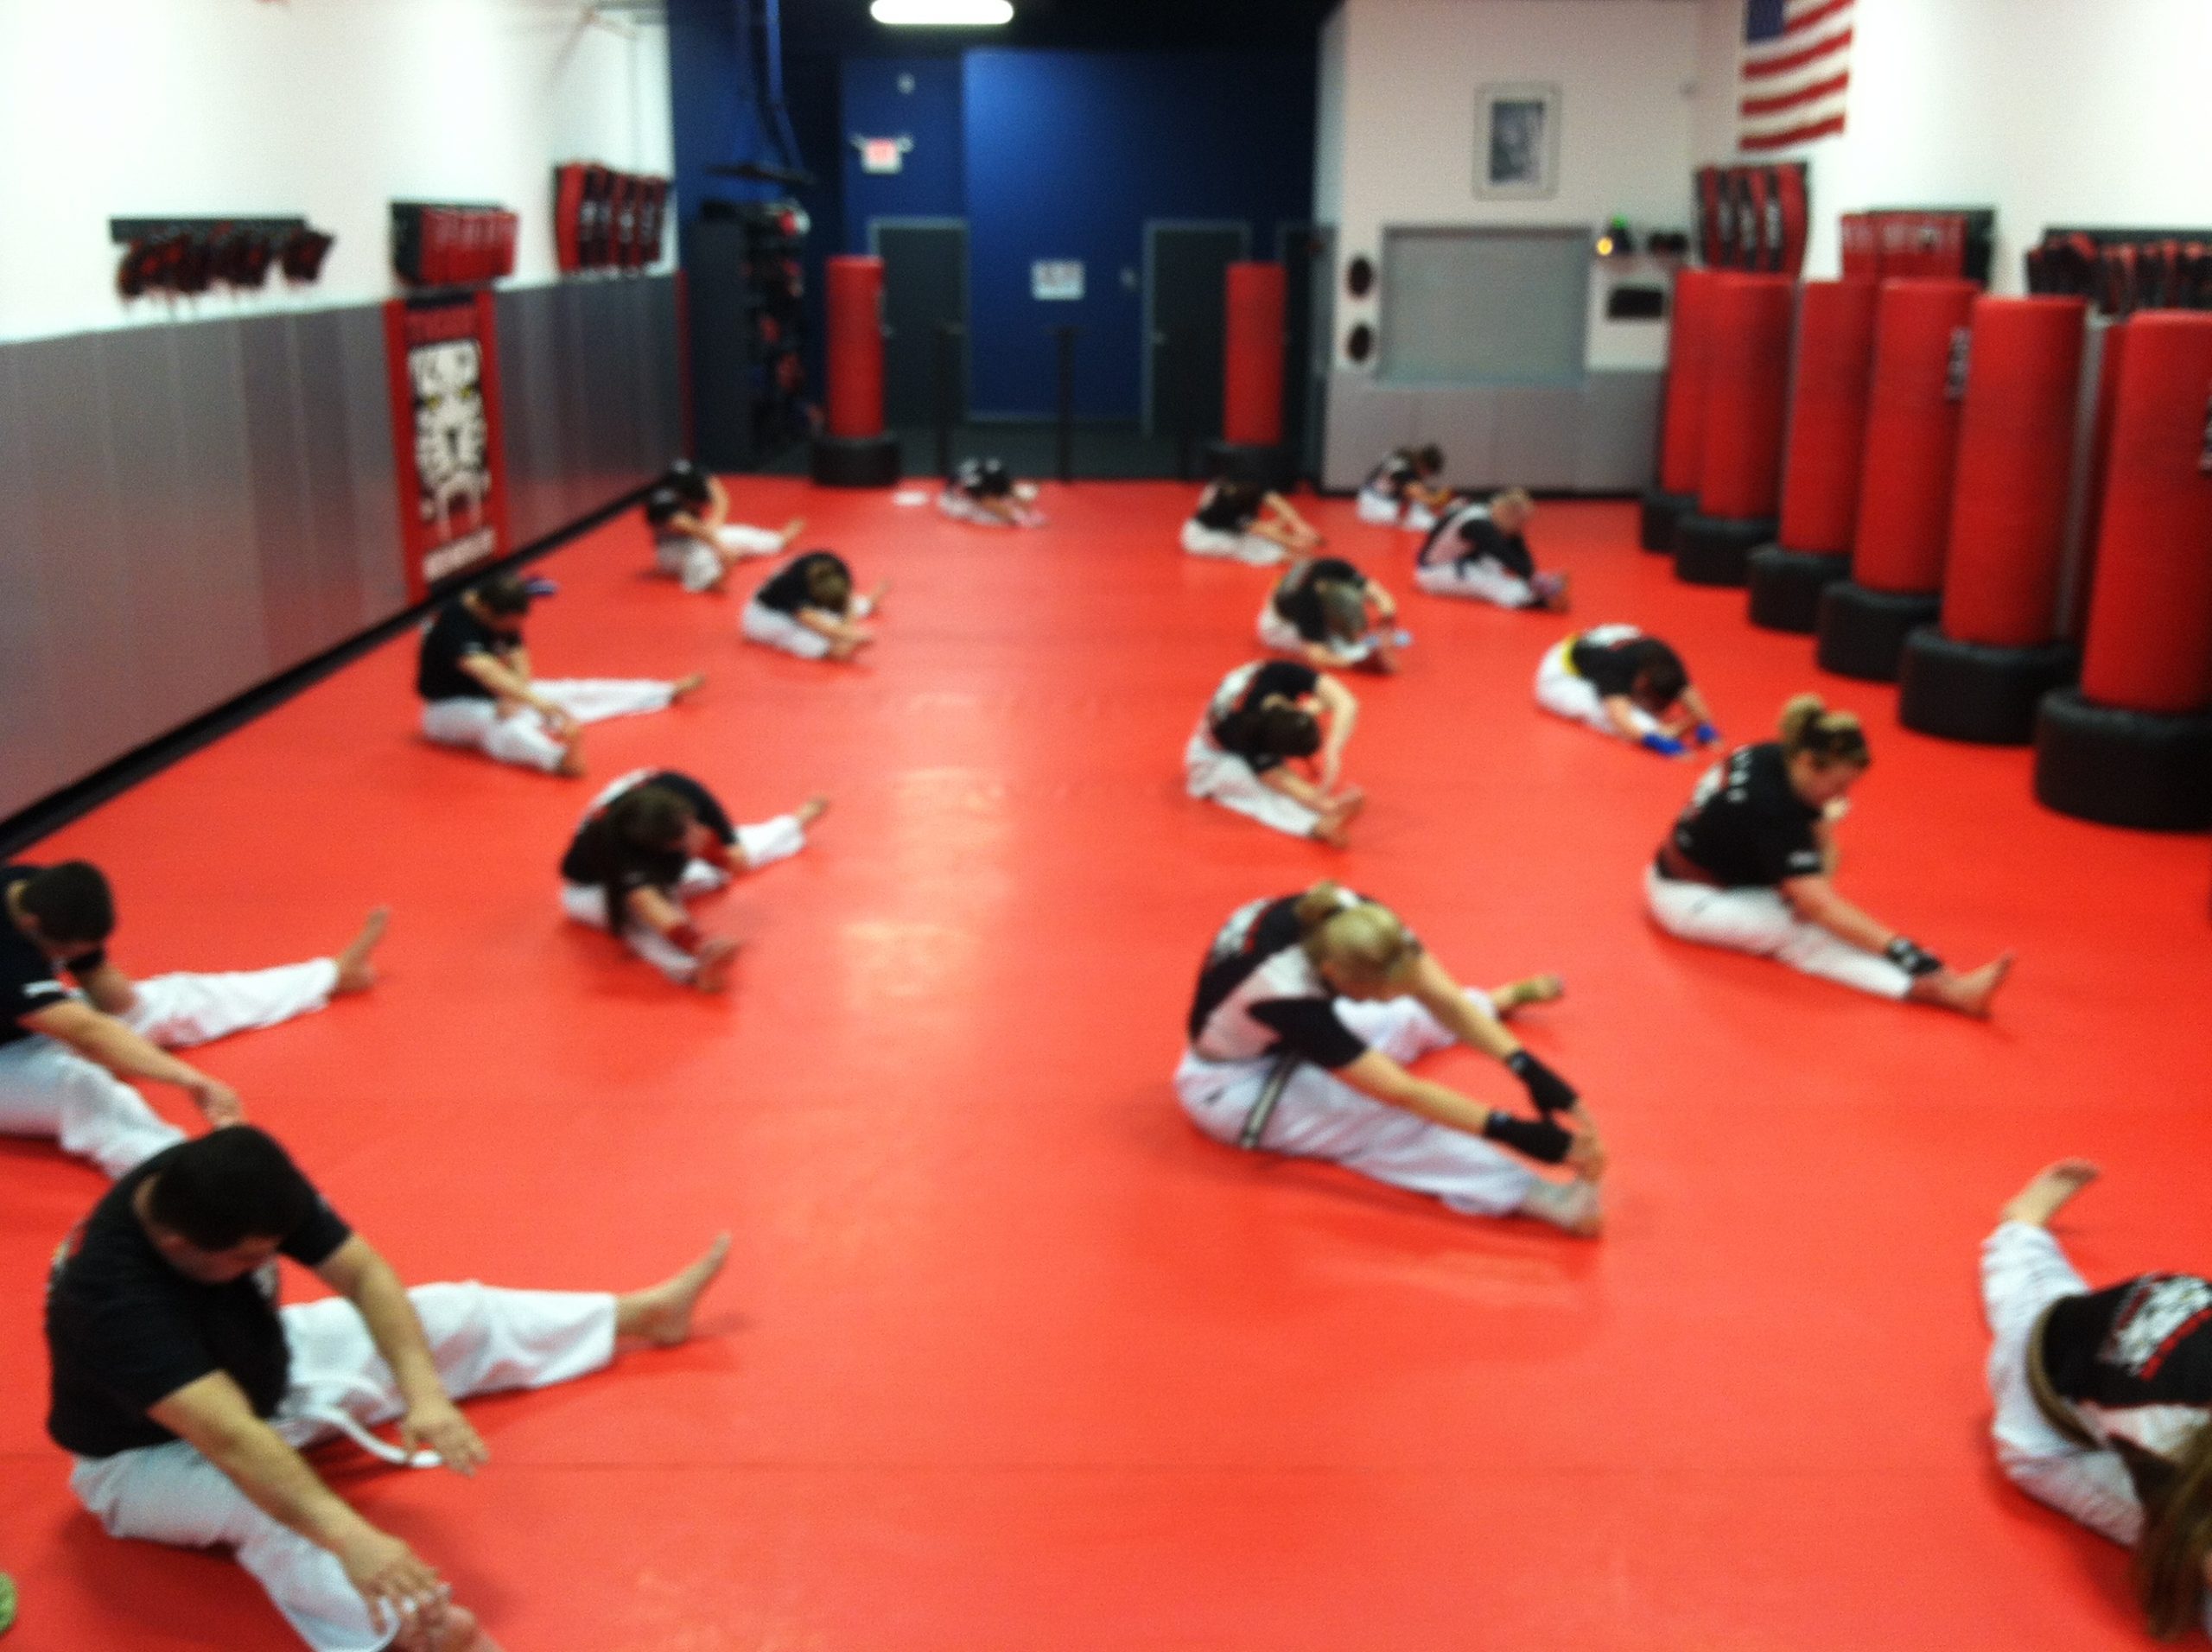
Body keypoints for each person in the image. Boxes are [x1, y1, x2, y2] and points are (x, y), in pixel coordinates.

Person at [45, 1126, 730, 1652]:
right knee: (268, 1511)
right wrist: (353, 1537)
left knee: (448, 1314)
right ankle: (418, 1627)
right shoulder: (111, 1300)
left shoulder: (233, 1179)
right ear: (175, 1242)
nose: (268, 1262)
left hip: (261, 1367)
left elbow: (366, 1275)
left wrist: (423, 1391)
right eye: (250, 1258)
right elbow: (232, 1440)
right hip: (150, 1459)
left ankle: (641, 1316)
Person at [1175, 882, 1605, 1234]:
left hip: (1282, 1036)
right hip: (1233, 1084)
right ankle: (1548, 1199)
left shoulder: (1357, 919)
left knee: (1404, 1014)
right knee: (1388, 1121)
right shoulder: (1281, 991)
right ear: (1332, 977)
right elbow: (1405, 1093)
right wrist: (1516, 1132)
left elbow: (1444, 998)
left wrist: (1529, 1069)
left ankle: (1495, 1001)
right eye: (1370, 989)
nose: (1381, 997)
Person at [1645, 694, 2013, 1014]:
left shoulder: (1775, 757)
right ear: (1808, 762)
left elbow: (1824, 852)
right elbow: (1818, 902)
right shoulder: (1771, 807)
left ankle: (1939, 981)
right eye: (1838, 785)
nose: (1843, 798)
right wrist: (1903, 950)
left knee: (1827, 917)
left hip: (1711, 874)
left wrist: (1821, 894)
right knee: (1805, 933)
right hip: (1690, 898)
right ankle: (1942, 990)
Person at [1981, 1159, 2212, 1639]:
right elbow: (2189, 1552)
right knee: (2025, 1304)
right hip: (2048, 1438)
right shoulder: (2167, 1423)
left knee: (2036, 1287)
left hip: (2110, 1335)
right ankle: (2021, 1227)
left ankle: (2023, 1228)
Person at [1, 861, 244, 1179]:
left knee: (170, 997)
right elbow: (87, 1033)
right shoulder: (7, 956)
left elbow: (114, 999)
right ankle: (189, 1188)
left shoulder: (36, 889)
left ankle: (322, 977)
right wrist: (193, 1080)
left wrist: (136, 1013)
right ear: (31, 924)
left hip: (26, 1024)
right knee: (85, 1091)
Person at [560, 769, 827, 990]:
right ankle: (692, 969)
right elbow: (651, 906)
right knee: (638, 921)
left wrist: (725, 850)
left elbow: (731, 847)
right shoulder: (619, 852)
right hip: (590, 889)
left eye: (691, 825)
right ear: (665, 848)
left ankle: (795, 823)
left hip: (660, 858)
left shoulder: (678, 789)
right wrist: (698, 944)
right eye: (685, 838)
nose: (695, 834)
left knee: (733, 859)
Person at [415, 573, 703, 777]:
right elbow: (486, 671)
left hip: (497, 693)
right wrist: (534, 702)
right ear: (487, 611)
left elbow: (517, 656)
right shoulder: (453, 625)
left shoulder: (501, 610)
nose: (513, 628)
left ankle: (660, 692)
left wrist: (520, 693)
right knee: (501, 724)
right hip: (448, 710)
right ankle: (557, 760)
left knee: (570, 691)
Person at [1185, 662, 1363, 847]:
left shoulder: (1279, 673)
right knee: (1260, 792)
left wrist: (1332, 750)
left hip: (1253, 719)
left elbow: (1346, 701)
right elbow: (1286, 783)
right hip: (1212, 758)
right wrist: (1329, 805)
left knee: (1325, 700)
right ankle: (1317, 826)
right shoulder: (1244, 732)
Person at [1535, 625, 1720, 756]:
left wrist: (1705, 725)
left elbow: (1687, 693)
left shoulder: (1665, 657)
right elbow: (1621, 720)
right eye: (1652, 704)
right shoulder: (1614, 669)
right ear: (1640, 684)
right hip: (1560, 672)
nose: (1656, 711)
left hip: (1613, 639)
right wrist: (1657, 738)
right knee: (1603, 714)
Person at [643, 460, 801, 594]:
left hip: (701, 534)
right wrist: (720, 547)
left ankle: (778, 541)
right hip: (671, 550)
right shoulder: (659, 501)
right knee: (699, 553)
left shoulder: (698, 476)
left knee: (737, 534)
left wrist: (715, 526)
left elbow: (720, 498)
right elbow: (688, 526)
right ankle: (713, 581)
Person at [1414, 488, 1568, 612]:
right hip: (1434, 572)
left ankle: (1535, 592)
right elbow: (1509, 557)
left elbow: (1522, 558)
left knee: (1494, 568)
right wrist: (1536, 580)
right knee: (1488, 582)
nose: (1521, 528)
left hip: (1458, 561)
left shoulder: (1487, 510)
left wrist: (1532, 576)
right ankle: (1537, 601)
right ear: (1509, 513)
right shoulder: (1478, 524)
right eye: (1520, 522)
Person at [1258, 556, 1402, 674]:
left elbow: (1379, 595)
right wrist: (1361, 665)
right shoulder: (1308, 603)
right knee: (1346, 650)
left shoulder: (1337, 568)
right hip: (1279, 625)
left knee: (1350, 642)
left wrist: (1387, 622)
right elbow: (1317, 656)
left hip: (1294, 597)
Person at [740, 551, 882, 664]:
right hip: (768, 616)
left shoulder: (837, 567)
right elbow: (813, 621)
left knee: (838, 619)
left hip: (807, 601)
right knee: (838, 650)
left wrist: (848, 627)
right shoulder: (792, 586)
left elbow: (846, 602)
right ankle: (865, 604)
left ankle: (866, 603)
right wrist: (852, 635)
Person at [1180, 476, 1323, 566]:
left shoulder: (1247, 484)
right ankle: (1282, 557)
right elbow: (1261, 529)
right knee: (1247, 545)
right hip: (1203, 537)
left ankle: (1283, 548)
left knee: (1263, 537)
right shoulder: (1228, 505)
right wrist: (1294, 542)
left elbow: (1276, 501)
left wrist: (1299, 525)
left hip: (1228, 527)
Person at [1356, 444, 1450, 530]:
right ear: (1424, 465)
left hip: (1372, 497)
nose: (1426, 476)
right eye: (1428, 472)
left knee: (1420, 509)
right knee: (1430, 523)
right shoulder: (1406, 468)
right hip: (1379, 505)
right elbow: (1416, 494)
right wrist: (1437, 499)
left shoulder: (1404, 456)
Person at [938, 458, 1044, 527]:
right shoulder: (975, 485)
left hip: (976, 488)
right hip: (956, 501)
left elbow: (1009, 490)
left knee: (1009, 501)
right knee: (996, 520)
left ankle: (1019, 513)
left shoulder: (996, 476)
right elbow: (986, 501)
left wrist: (1029, 511)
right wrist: (1019, 519)